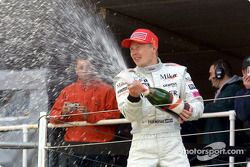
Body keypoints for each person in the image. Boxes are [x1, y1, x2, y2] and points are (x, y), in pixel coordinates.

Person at [114, 28, 204, 167]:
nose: (134, 53)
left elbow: (198, 105)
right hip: (141, 143)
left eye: (138, 47)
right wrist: (133, 97)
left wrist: (188, 110)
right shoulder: (125, 77)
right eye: (131, 49)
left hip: (172, 140)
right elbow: (131, 116)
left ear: (153, 47)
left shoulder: (178, 71)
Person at [50, 57, 121, 167]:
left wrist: (90, 116)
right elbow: (52, 117)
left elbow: (115, 115)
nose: (85, 70)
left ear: (94, 69)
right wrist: (63, 113)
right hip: (74, 146)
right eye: (81, 67)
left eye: (88, 67)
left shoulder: (107, 90)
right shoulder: (67, 91)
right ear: (76, 70)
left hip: (101, 146)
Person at [202, 59, 242, 166]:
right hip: (217, 147)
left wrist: (199, 108)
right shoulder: (225, 91)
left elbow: (221, 107)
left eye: (211, 74)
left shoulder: (234, 89)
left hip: (223, 148)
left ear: (220, 73)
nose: (209, 78)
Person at [234, 56, 250, 166]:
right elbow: (242, 115)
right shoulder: (240, 94)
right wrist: (249, 89)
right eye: (248, 70)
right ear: (243, 73)